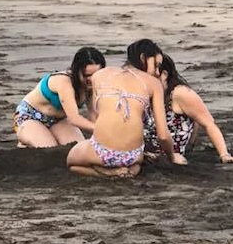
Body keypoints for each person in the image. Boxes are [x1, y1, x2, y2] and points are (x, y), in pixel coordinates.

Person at [67, 39, 183, 177]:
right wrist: (172, 156)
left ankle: (107, 172)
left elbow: (97, 116)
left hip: (102, 153)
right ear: (143, 58)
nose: (158, 72)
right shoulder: (154, 84)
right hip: (133, 156)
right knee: (135, 165)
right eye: (156, 65)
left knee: (72, 161)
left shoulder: (100, 75)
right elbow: (163, 135)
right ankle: (130, 170)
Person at [144, 54, 233, 165]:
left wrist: (224, 155)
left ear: (164, 75)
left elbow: (208, 124)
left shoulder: (180, 94)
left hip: (173, 159)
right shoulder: (142, 94)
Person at [14, 46, 106, 148]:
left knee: (77, 147)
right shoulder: (64, 82)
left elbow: (93, 114)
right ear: (76, 71)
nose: (91, 79)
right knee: (49, 149)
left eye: (96, 74)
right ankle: (25, 141)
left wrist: (102, 139)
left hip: (58, 120)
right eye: (86, 75)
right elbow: (74, 118)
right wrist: (100, 129)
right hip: (30, 117)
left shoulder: (92, 85)